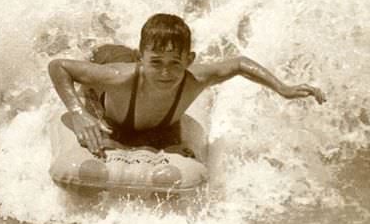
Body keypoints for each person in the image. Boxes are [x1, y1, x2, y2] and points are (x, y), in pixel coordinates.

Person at [48, 13, 326, 158]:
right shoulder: (120, 76)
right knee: (97, 69)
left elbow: (240, 64)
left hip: (136, 65)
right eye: (156, 62)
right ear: (141, 59)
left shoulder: (196, 79)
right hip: (108, 61)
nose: (166, 72)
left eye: (175, 63)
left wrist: (283, 88)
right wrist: (78, 112)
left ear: (189, 60)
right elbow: (59, 66)